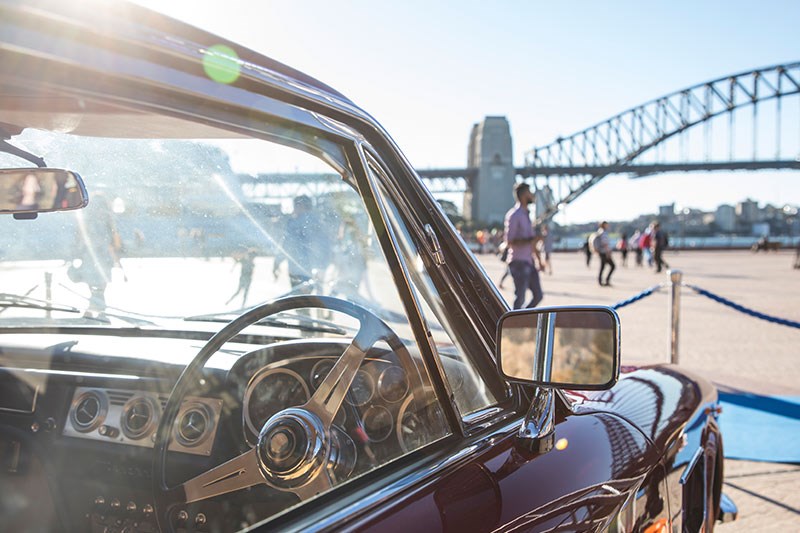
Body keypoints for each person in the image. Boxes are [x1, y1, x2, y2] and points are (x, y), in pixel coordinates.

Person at [72, 193, 122, 313]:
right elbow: (114, 241)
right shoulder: (90, 221)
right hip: (94, 257)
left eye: (101, 206)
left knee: (98, 284)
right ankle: (96, 307)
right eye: (97, 206)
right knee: (95, 284)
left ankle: (96, 307)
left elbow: (114, 241)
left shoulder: (106, 221)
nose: (99, 209)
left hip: (100, 257)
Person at [503, 182, 543, 309]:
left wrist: (539, 260)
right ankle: (514, 323)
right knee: (520, 297)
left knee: (538, 295)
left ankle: (522, 319)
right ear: (524, 195)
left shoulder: (526, 215)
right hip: (518, 262)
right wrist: (530, 239)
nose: (532, 195)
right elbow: (509, 241)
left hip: (529, 262)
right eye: (530, 192)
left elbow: (531, 242)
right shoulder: (514, 215)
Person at [595, 221, 615, 287]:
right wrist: (608, 252)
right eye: (607, 225)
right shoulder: (604, 233)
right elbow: (605, 244)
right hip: (604, 252)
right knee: (612, 266)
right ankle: (606, 280)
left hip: (601, 252)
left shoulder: (599, 231)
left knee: (602, 266)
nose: (608, 226)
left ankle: (600, 281)